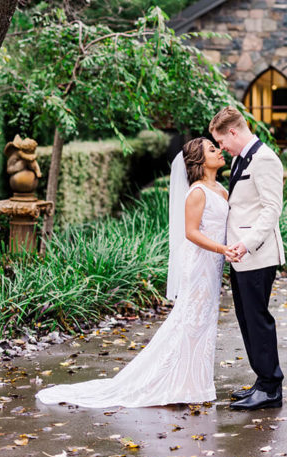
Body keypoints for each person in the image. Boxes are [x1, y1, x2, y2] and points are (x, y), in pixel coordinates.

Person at [36, 138, 236, 408]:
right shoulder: (197, 192)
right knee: (190, 323)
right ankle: (179, 383)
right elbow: (191, 233)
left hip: (213, 267)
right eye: (212, 149)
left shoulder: (221, 191)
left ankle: (196, 383)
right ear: (199, 161)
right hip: (199, 266)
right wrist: (221, 247)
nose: (219, 151)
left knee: (205, 323)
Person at [209, 106, 285, 411]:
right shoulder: (243, 158)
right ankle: (262, 381)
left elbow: (271, 210)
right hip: (241, 256)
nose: (222, 148)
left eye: (222, 141)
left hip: (257, 255)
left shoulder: (265, 159)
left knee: (258, 321)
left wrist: (246, 244)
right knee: (246, 320)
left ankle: (271, 389)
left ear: (233, 132)